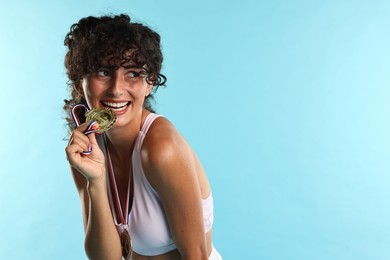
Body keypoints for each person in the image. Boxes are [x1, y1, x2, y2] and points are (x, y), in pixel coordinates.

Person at [63, 14, 222, 260]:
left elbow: (196, 256)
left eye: (133, 73)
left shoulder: (160, 149)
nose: (117, 89)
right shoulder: (87, 150)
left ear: (150, 84)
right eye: (104, 71)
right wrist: (96, 181)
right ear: (79, 82)